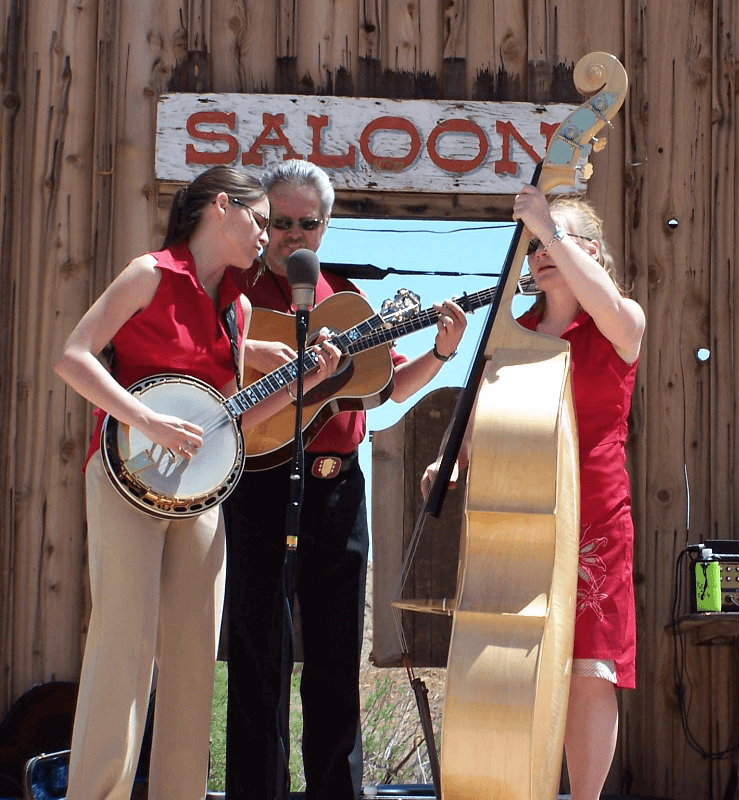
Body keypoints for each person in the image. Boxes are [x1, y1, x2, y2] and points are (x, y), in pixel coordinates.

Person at [54, 166, 340, 800]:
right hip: (125, 477)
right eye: (261, 219)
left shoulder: (238, 308)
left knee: (193, 661)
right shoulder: (149, 274)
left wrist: (310, 382)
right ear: (221, 207)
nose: (267, 235)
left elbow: (229, 416)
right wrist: (145, 418)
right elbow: (72, 357)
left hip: (200, 495)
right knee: (124, 644)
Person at [222, 159, 467, 800]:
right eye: (280, 222)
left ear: (325, 226)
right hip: (259, 485)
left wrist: (442, 352)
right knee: (259, 655)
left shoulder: (344, 299)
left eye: (306, 223)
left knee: (335, 659)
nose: (292, 235)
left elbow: (388, 388)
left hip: (337, 489)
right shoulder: (237, 291)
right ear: (262, 222)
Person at [422, 186, 645, 800]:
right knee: (514, 656)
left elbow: (611, 307)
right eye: (535, 245)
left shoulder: (621, 320)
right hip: (514, 510)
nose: (541, 251)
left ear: (590, 251)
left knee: (589, 671)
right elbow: (482, 411)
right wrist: (451, 458)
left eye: (554, 240)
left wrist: (549, 226)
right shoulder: (512, 332)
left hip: (595, 513)